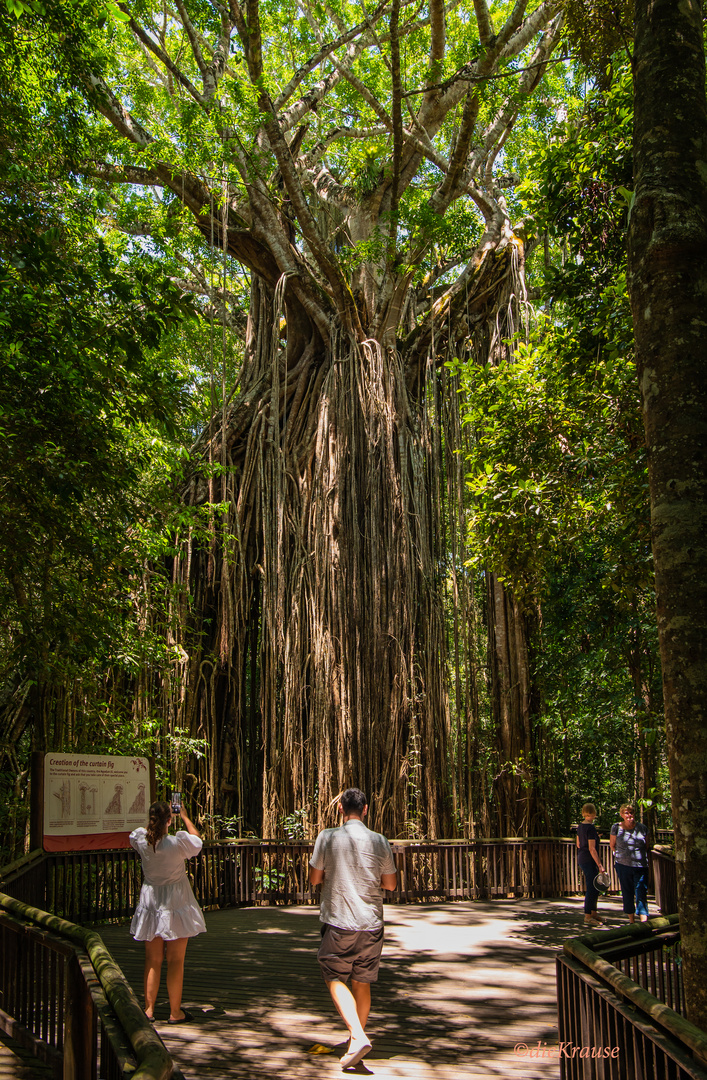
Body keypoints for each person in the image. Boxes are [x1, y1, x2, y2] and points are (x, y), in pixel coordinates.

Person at [309, 788, 398, 1070]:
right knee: (362, 982)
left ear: (340, 810)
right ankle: (354, 1041)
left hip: (339, 921)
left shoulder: (327, 836)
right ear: (366, 810)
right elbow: (391, 884)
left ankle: (358, 1036)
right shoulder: (380, 841)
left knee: (334, 976)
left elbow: (314, 879)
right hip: (371, 924)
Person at [130, 800, 206, 1023]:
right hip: (176, 903)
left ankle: (149, 1010)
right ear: (169, 820)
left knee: (152, 960)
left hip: (151, 902)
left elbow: (145, 833)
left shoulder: (142, 841)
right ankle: (175, 1012)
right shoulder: (177, 843)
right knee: (175, 960)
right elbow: (198, 840)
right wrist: (184, 815)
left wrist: (156, 822)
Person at [610, 803, 650, 923]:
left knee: (641, 892)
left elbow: (646, 846)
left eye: (631, 812)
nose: (629, 815)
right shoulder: (616, 827)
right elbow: (612, 845)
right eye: (626, 813)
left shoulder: (642, 828)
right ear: (622, 815)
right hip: (623, 866)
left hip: (640, 866)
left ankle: (644, 921)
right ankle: (632, 921)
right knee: (627, 892)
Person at [576, 802, 606, 927]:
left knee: (594, 886)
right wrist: (600, 865)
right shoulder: (591, 828)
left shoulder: (580, 826)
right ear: (594, 814)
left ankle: (593, 913)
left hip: (581, 858)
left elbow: (578, 844)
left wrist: (596, 837)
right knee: (592, 887)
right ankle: (588, 915)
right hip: (589, 859)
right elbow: (592, 848)